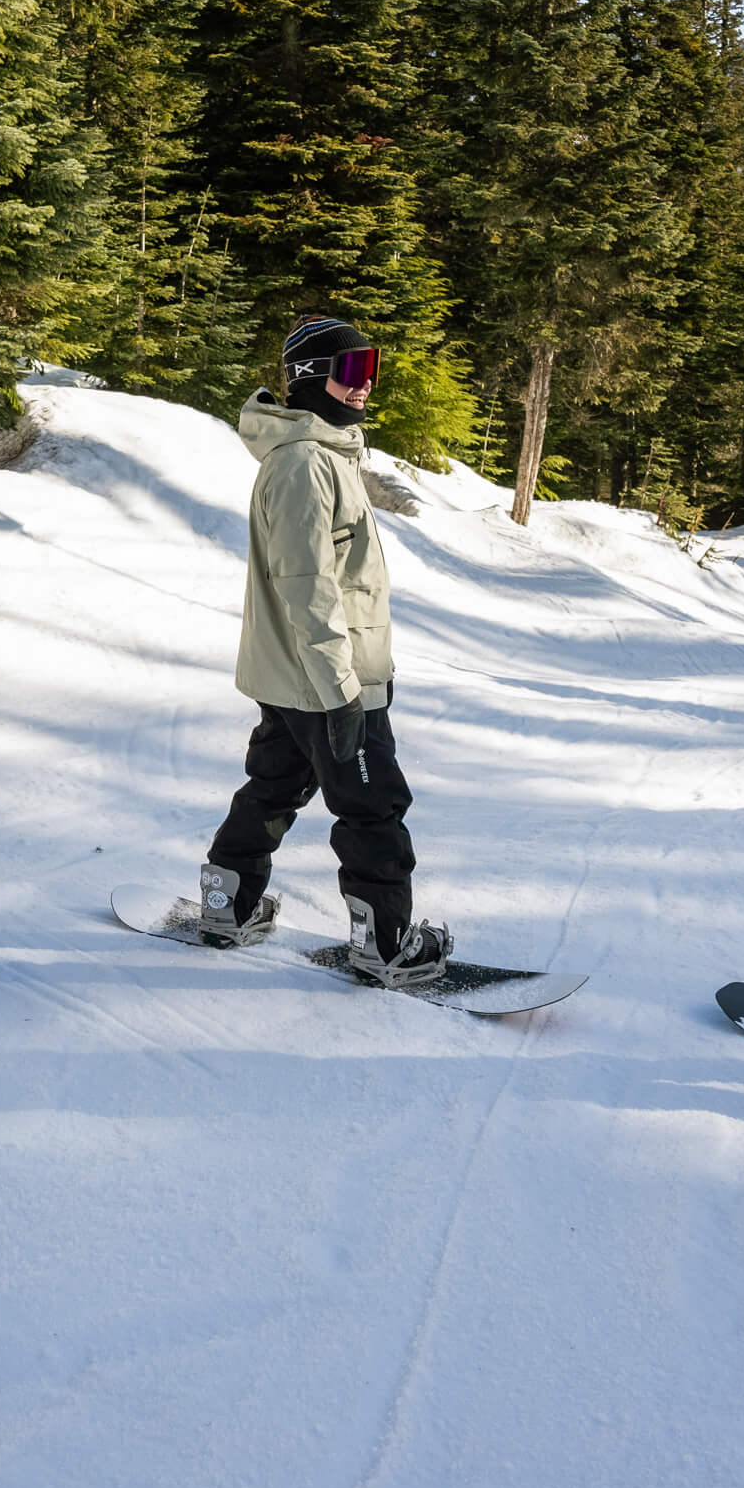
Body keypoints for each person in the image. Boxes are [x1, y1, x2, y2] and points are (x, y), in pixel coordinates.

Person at [198, 314, 453, 986]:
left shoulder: (318, 455)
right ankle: (387, 944)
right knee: (372, 806)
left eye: (370, 369)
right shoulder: (305, 464)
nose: (365, 384)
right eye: (352, 371)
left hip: (293, 673)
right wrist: (345, 690)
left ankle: (228, 904)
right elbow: (309, 589)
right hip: (329, 677)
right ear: (314, 378)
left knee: (276, 784)